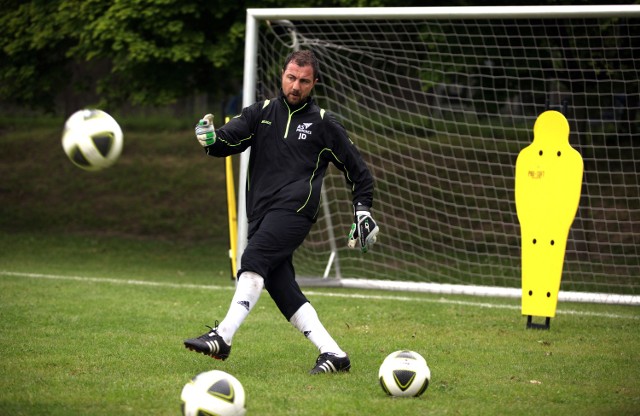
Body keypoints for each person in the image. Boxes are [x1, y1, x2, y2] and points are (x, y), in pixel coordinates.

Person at [183, 50, 379, 374]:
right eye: (291, 77)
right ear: (282, 76)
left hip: (295, 209)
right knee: (280, 284)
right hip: (260, 213)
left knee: (254, 257)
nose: (295, 85)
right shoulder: (259, 113)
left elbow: (360, 174)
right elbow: (224, 143)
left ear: (314, 83)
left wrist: (362, 210)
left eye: (304, 80)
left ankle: (223, 336)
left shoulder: (324, 123)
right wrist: (208, 138)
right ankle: (334, 353)